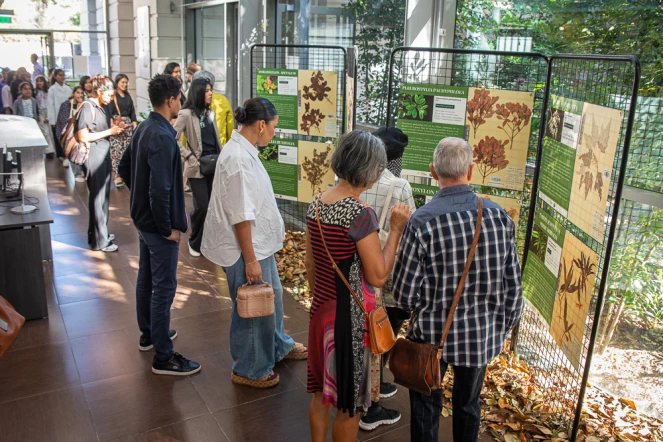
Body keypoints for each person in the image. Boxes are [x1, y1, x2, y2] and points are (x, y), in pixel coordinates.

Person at [392, 137, 524, 442]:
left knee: (425, 404)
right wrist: (498, 331)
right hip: (481, 336)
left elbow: (404, 294)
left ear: (433, 172)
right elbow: (513, 291)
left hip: (430, 336)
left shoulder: (421, 221)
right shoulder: (499, 218)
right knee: (468, 404)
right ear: (472, 170)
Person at [305, 130, 411, 442]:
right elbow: (378, 276)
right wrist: (394, 230)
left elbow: (311, 267)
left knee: (321, 394)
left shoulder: (316, 205)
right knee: (349, 405)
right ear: (368, 170)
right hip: (348, 322)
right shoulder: (360, 214)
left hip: (321, 314)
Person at [200, 97, 306, 389]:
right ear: (261, 125)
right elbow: (240, 216)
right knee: (251, 308)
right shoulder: (236, 158)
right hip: (242, 249)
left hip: (258, 245)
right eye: (273, 127)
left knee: (272, 300)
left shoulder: (244, 151)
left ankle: (277, 347)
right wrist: (250, 261)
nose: (274, 133)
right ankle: (249, 368)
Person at [117, 74, 201, 376]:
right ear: (170, 100)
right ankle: (163, 356)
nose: (181, 101)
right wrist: (167, 227)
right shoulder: (164, 136)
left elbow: (123, 166)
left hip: (142, 220)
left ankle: (150, 334)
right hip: (156, 226)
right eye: (179, 96)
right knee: (164, 287)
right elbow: (161, 190)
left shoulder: (144, 127)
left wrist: (137, 195)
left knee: (148, 280)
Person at [357, 127, 416, 432]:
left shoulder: (356, 180)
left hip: (356, 268)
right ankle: (370, 405)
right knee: (380, 330)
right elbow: (409, 229)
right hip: (385, 268)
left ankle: (372, 386)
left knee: (365, 332)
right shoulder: (399, 185)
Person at [75, 75, 125, 252]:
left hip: (102, 154)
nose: (111, 98)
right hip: (93, 157)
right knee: (98, 198)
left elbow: (103, 130)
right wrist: (109, 132)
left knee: (102, 198)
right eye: (109, 94)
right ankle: (101, 241)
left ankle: (98, 233)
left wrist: (114, 130)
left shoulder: (101, 107)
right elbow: (83, 136)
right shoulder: (88, 107)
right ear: (99, 91)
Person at [173, 77, 221, 257]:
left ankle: (207, 241)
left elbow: (215, 141)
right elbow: (173, 138)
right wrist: (189, 156)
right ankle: (195, 241)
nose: (211, 93)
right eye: (208, 90)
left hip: (214, 164)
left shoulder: (211, 113)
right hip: (197, 167)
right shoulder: (186, 114)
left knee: (213, 206)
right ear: (199, 92)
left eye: (211, 90)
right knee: (202, 206)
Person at [105, 73, 137, 188]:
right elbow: (110, 113)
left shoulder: (128, 96)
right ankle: (117, 175)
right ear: (117, 83)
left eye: (126, 82)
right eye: (122, 82)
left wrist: (134, 126)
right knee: (117, 152)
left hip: (128, 128)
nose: (125, 84)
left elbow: (132, 113)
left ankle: (126, 173)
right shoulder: (113, 97)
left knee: (127, 151)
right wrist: (115, 125)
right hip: (117, 127)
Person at [192, 70, 234, 146]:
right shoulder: (222, 100)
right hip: (219, 149)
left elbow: (184, 134)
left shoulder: (191, 100)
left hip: (195, 150)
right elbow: (230, 127)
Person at [55, 85, 86, 182]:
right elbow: (62, 120)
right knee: (74, 151)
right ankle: (77, 174)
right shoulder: (66, 104)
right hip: (69, 133)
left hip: (80, 132)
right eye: (77, 92)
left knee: (82, 151)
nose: (79, 95)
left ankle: (83, 171)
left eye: (81, 93)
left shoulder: (85, 104)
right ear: (73, 93)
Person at [47, 69, 73, 167]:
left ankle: (68, 154)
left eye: (63, 75)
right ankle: (61, 155)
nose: (62, 77)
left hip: (67, 116)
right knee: (59, 136)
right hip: (57, 116)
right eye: (59, 75)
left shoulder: (68, 89)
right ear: (55, 77)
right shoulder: (52, 89)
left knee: (67, 136)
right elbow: (50, 105)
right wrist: (52, 120)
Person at [33, 75, 56, 157]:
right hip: (40, 112)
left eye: (41, 81)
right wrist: (37, 114)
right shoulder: (35, 92)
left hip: (48, 111)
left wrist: (48, 116)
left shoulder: (48, 91)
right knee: (45, 132)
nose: (39, 83)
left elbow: (51, 103)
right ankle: (48, 150)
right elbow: (35, 104)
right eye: (37, 81)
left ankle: (52, 149)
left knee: (50, 132)